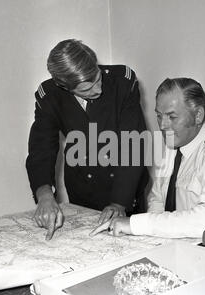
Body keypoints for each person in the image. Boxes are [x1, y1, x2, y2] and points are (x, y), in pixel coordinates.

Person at [90, 77, 205, 238]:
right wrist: (150, 237)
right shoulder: (172, 143)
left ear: (198, 115)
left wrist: (137, 224)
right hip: (189, 247)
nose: (162, 125)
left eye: (171, 117)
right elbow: (157, 199)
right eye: (159, 116)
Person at [26, 39, 148, 240]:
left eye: (98, 79)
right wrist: (44, 194)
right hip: (83, 189)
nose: (98, 89)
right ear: (63, 86)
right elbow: (42, 149)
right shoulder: (50, 95)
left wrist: (119, 203)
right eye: (86, 89)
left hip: (124, 185)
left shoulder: (122, 82)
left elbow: (133, 146)